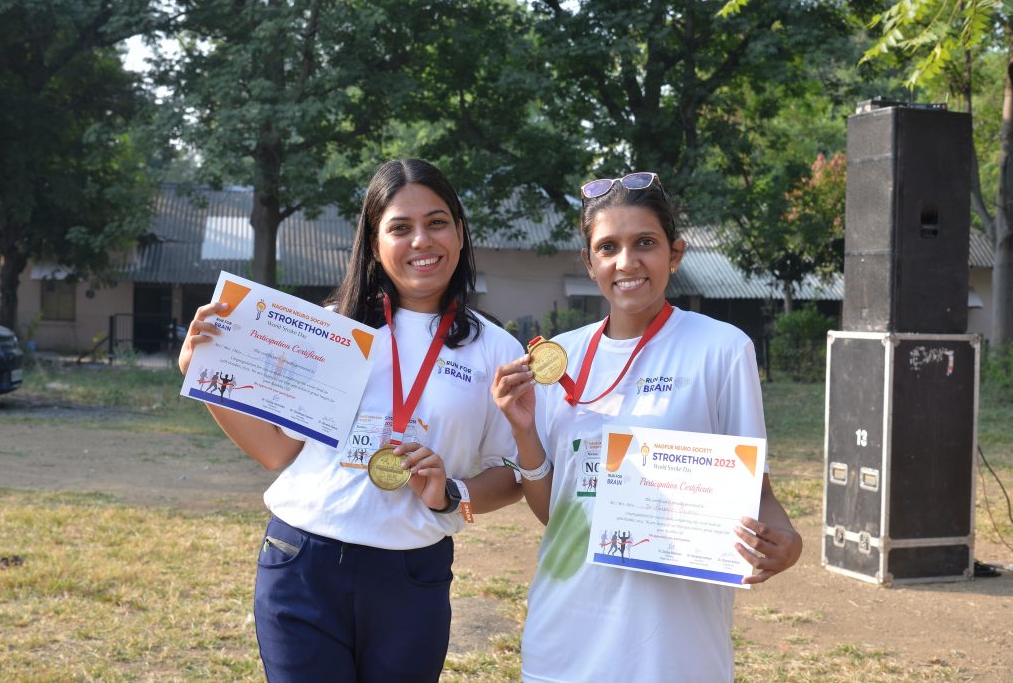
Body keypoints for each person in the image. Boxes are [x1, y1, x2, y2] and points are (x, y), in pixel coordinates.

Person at [179, 158, 523, 683]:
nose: (421, 241)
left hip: (411, 573)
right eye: (400, 228)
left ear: (459, 232)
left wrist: (451, 493)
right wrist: (205, 375)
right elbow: (276, 451)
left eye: (436, 223)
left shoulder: (494, 349)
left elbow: (513, 473)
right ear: (375, 242)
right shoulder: (331, 329)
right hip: (302, 561)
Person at [491, 171, 802, 683]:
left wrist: (786, 539)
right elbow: (555, 514)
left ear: (674, 254)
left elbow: (756, 492)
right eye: (608, 247)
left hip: (674, 647)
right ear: (589, 263)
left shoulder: (721, 349)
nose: (626, 262)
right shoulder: (558, 357)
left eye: (645, 243)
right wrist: (523, 431)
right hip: (565, 636)